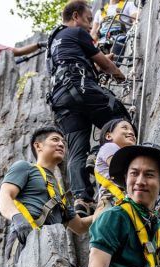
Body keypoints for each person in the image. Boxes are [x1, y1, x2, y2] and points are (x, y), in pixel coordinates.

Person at [47, 1, 130, 218]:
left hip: (61, 99)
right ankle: (98, 155)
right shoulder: (76, 32)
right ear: (76, 16)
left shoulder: (54, 41)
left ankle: (82, 199)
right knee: (119, 120)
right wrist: (120, 75)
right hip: (80, 87)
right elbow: (106, 65)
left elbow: (74, 61)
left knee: (75, 151)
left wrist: (95, 66)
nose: (88, 25)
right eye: (87, 19)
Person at [0, 127, 94, 257]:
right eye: (55, 140)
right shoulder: (25, 167)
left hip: (51, 247)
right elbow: (4, 196)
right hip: (24, 238)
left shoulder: (59, 192)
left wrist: (103, 212)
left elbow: (80, 226)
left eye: (63, 142)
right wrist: (18, 218)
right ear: (38, 146)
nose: (61, 144)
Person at [93, 118, 136, 214]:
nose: (131, 132)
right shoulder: (110, 146)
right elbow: (119, 167)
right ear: (108, 136)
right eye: (124, 128)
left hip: (116, 199)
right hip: (112, 199)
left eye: (132, 131)